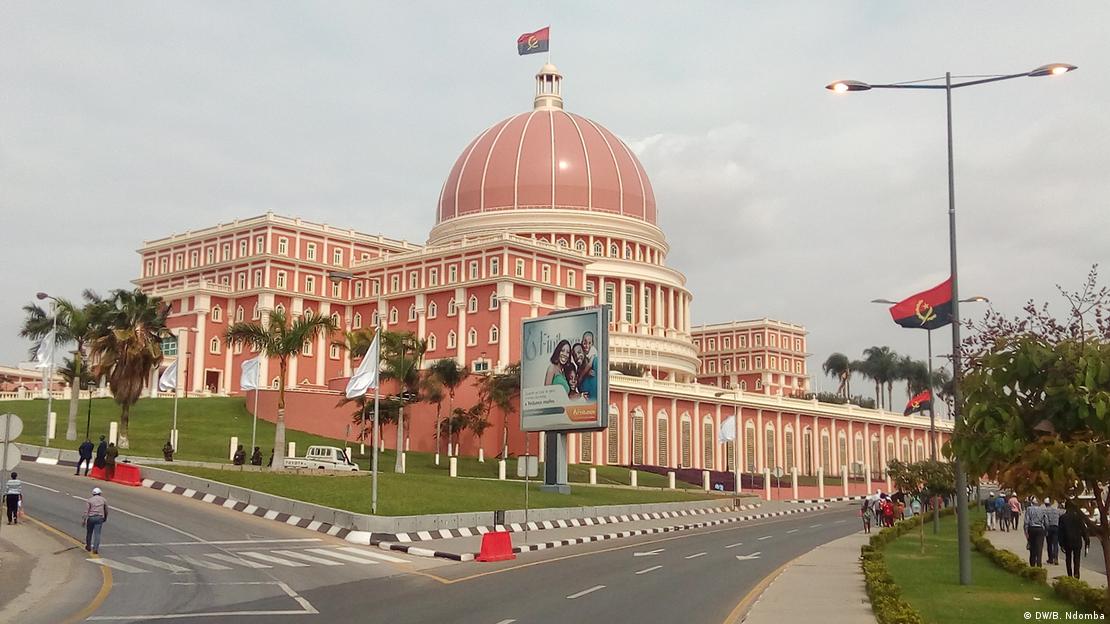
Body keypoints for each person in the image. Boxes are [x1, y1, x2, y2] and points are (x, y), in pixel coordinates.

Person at [1057, 502, 1090, 579]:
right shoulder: (1078, 517)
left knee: (1068, 559)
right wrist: (1086, 540)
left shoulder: (1063, 518)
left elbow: (1060, 532)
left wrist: (1061, 543)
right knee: (1077, 559)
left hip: (1067, 541)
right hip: (1077, 541)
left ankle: (1069, 575)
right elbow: (1084, 530)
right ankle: (1076, 575)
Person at [82, 487, 108, 554]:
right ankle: (95, 548)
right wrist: (105, 518)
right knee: (97, 534)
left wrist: (84, 520)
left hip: (91, 518)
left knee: (89, 533)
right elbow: (106, 510)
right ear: (100, 493)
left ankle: (88, 547)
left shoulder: (89, 500)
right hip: (99, 518)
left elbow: (86, 511)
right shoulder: (103, 500)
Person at [1024, 498, 1047, 567]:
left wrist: (1026, 531)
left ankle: (1032, 563)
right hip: (1040, 528)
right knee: (1039, 547)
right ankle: (1039, 563)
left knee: (1032, 547)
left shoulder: (1029, 509)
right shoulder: (1042, 509)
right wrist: (1046, 530)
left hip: (1032, 528)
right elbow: (1046, 521)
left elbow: (1026, 521)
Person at [1044, 498, 1061, 565]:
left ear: (1045, 504)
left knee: (1049, 544)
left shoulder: (1045, 511)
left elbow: (1046, 521)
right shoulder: (1056, 510)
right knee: (1055, 544)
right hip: (1056, 527)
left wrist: (1046, 529)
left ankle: (1050, 559)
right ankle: (1056, 558)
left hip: (1049, 527)